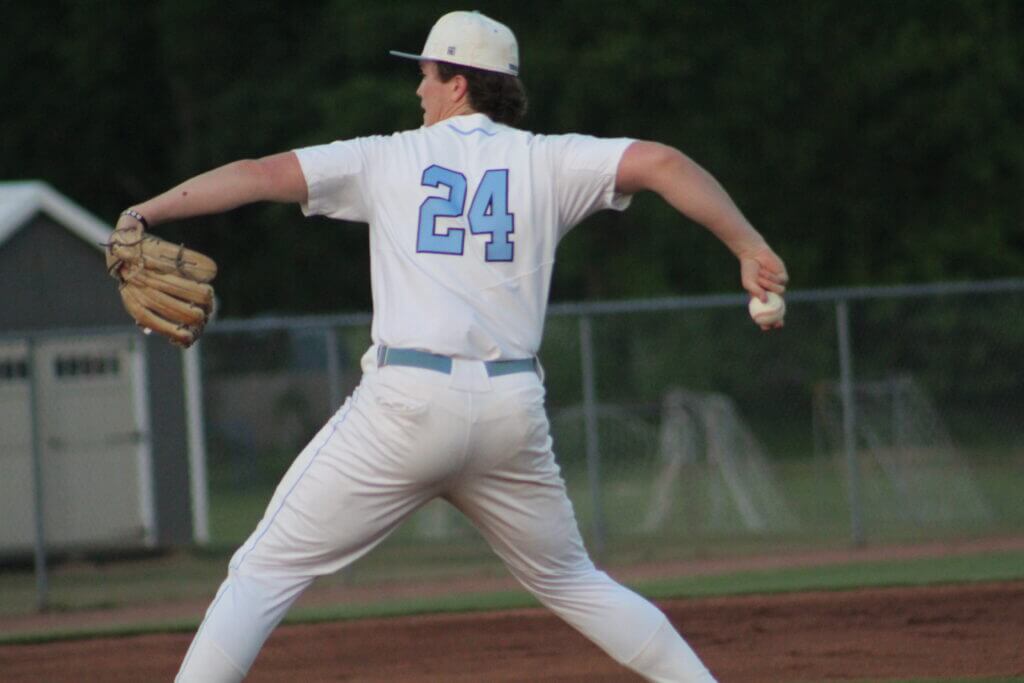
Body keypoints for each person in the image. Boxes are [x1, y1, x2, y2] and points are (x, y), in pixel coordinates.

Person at [122, 11, 787, 682]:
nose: (419, 90)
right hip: (510, 410)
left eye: (427, 75)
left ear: (459, 84)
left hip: (404, 407)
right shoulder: (549, 160)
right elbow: (663, 162)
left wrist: (142, 213)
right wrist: (748, 246)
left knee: (263, 570)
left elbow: (258, 173)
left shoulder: (387, 156)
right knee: (572, 580)